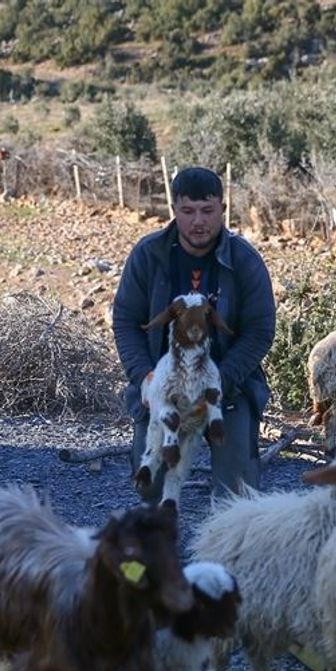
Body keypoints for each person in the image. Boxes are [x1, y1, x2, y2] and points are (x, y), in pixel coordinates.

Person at [112, 166, 276, 499]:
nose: (198, 221)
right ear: (174, 210)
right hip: (162, 387)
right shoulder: (148, 255)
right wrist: (144, 376)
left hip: (226, 389)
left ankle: (231, 548)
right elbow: (126, 321)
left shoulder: (244, 260)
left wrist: (219, 381)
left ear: (222, 210)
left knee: (238, 496)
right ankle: (160, 542)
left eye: (207, 211)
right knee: (150, 486)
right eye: (188, 211)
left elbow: (260, 331)